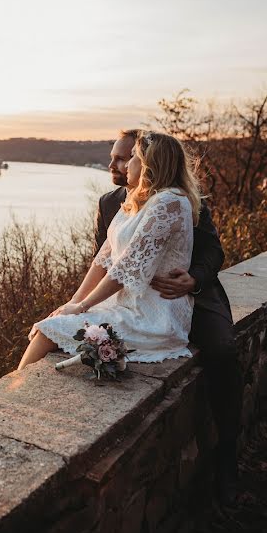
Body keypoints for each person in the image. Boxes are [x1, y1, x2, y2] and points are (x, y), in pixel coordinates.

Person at [93, 129, 242, 504]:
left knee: (222, 350)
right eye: (114, 157)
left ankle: (227, 455)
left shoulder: (185, 199)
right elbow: (107, 261)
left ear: (147, 161)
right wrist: (78, 305)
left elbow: (212, 250)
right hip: (134, 298)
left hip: (192, 293)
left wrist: (195, 279)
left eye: (124, 157)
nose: (115, 164)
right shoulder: (109, 202)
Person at [19, 131, 199, 377]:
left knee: (48, 331)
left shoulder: (170, 202)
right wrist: (72, 304)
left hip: (152, 316)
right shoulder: (137, 202)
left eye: (133, 156)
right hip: (126, 305)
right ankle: (13, 392)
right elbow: (103, 260)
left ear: (150, 163)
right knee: (53, 324)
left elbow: (125, 268)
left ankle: (9, 397)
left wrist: (83, 306)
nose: (127, 164)